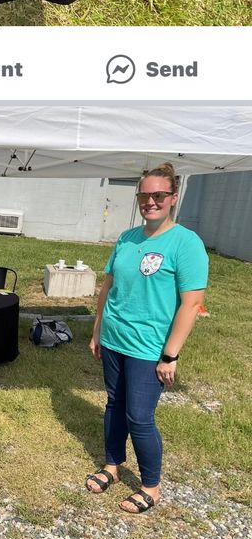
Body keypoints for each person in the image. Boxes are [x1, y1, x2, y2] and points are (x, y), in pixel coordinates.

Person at [86, 162, 208, 514]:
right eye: (144, 194)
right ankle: (112, 465)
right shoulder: (127, 238)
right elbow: (108, 285)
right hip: (114, 339)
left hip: (149, 347)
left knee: (139, 416)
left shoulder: (186, 243)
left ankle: (150, 487)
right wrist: (97, 331)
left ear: (173, 197)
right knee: (114, 404)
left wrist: (170, 355)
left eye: (159, 195)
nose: (150, 201)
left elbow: (191, 303)